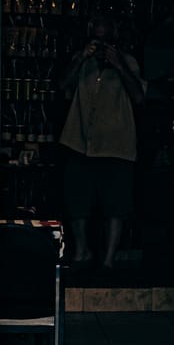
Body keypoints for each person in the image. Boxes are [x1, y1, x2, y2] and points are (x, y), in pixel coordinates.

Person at [57, 13, 143, 270]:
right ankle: (81, 251)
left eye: (106, 42)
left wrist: (119, 65)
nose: (101, 48)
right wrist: (82, 57)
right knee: (77, 201)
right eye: (97, 40)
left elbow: (139, 97)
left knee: (115, 204)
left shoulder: (128, 63)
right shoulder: (81, 61)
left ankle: (108, 259)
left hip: (117, 143)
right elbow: (62, 86)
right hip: (79, 139)